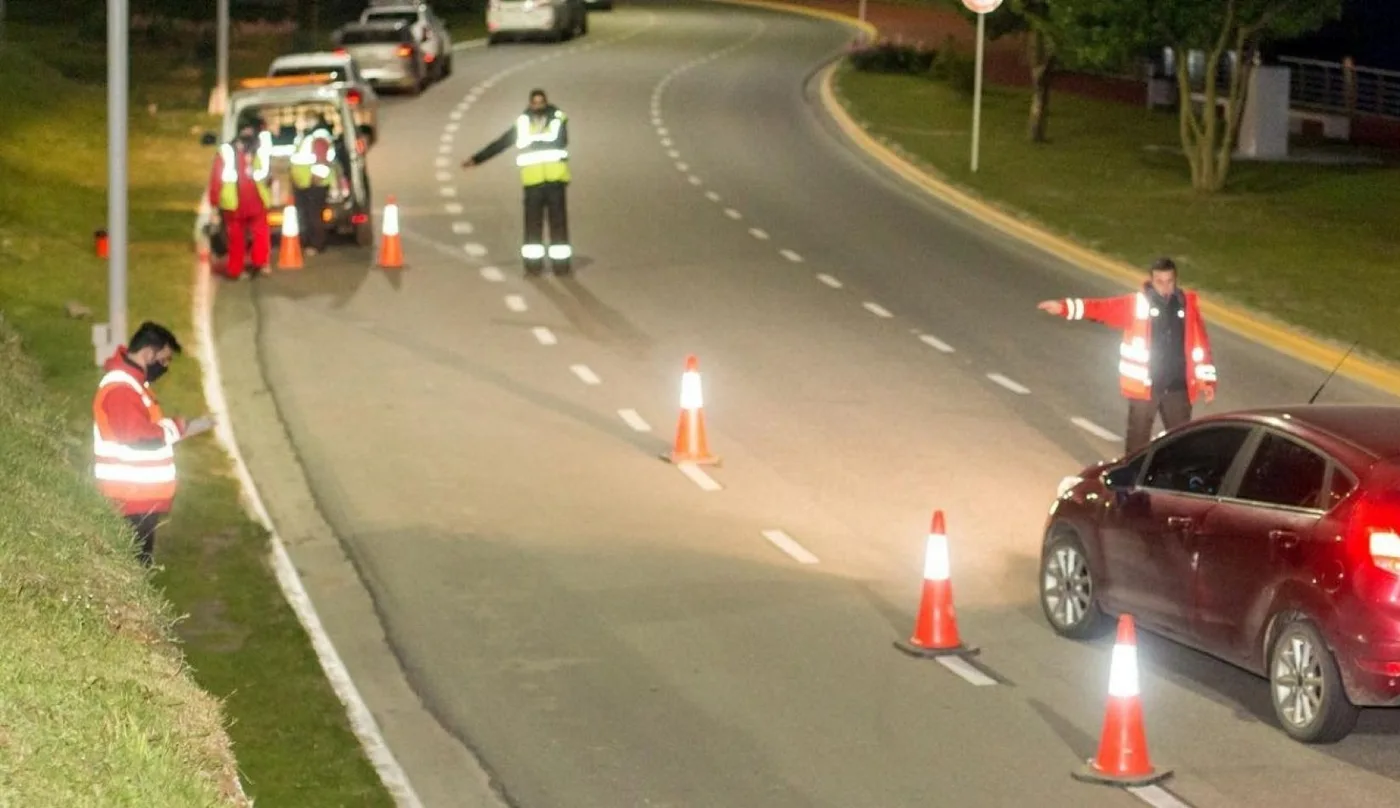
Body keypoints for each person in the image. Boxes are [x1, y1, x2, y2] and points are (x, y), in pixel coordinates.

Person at [1037, 257, 1217, 455]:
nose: (1165, 287)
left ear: (1176, 280)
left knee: (1181, 442)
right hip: (1145, 388)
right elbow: (1100, 309)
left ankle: (1175, 481)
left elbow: (1201, 345)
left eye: (1169, 281)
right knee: (1137, 444)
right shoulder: (1136, 304)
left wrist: (1207, 381)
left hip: (1178, 388)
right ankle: (1130, 481)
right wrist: (1064, 307)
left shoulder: (1187, 306)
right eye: (1160, 281)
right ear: (1151, 280)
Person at [92, 322, 214, 567]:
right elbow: (140, 437)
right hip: (129, 501)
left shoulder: (133, 385)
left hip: (137, 499)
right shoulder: (122, 389)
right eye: (165, 359)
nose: (165, 367)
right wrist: (175, 428)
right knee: (134, 569)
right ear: (148, 353)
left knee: (138, 567)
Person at [461, 88, 572, 276]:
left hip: (555, 181)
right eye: (535, 103)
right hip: (532, 183)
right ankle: (533, 265)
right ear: (530, 104)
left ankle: (561, 265)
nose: (538, 106)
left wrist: (536, 138)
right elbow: (502, 143)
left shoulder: (557, 119)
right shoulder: (522, 124)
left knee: (558, 224)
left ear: (546, 103)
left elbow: (562, 140)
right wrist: (477, 159)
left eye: (541, 103)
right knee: (532, 226)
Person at [208, 115, 273, 279]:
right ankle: (260, 263)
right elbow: (267, 174)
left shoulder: (226, 151)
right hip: (255, 197)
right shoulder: (259, 148)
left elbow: (216, 178)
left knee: (236, 237)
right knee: (260, 232)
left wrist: (214, 202)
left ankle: (236, 269)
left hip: (233, 201)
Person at [290, 115, 340, 256]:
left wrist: (316, 178)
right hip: (305, 183)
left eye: (305, 119)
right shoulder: (309, 136)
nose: (301, 122)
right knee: (308, 214)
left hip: (314, 184)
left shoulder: (318, 137)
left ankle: (317, 244)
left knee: (314, 215)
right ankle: (309, 243)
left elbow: (322, 160)